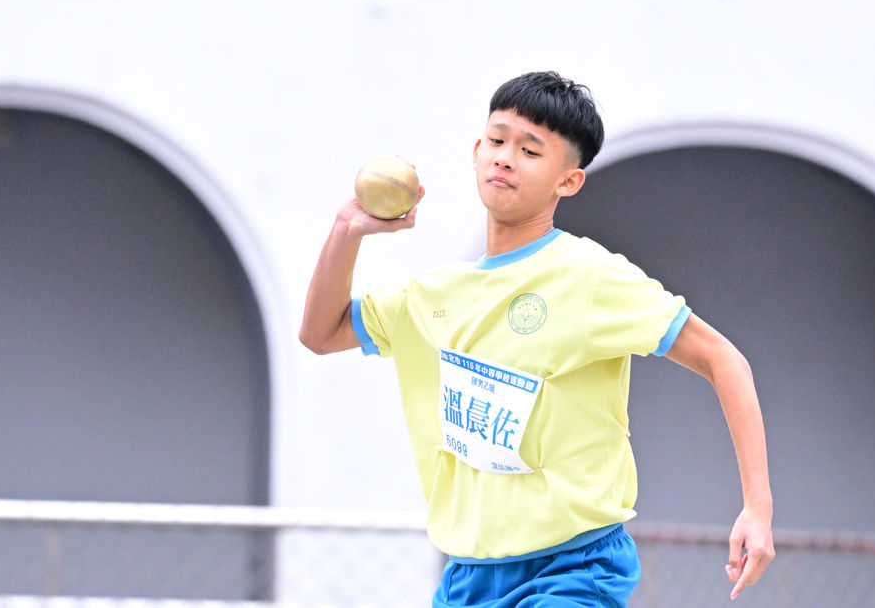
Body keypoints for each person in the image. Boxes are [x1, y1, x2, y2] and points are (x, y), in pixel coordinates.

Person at [300, 71, 774, 606]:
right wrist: (346, 229)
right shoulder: (430, 296)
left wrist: (757, 509)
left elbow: (723, 358)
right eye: (497, 141)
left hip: (573, 568)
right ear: (476, 152)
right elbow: (321, 333)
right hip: (467, 576)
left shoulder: (590, 276)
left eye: (529, 151)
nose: (505, 158)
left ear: (567, 182)